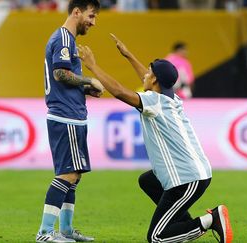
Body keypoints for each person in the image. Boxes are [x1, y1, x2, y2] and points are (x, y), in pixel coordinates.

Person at [78, 34, 233, 243]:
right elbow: (149, 78)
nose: (145, 75)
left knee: (157, 238)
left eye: (149, 73)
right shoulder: (170, 97)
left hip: (187, 179)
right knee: (148, 181)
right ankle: (181, 225)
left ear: (155, 80)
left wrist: (93, 66)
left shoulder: (154, 101)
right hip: (192, 172)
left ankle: (209, 220)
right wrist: (128, 55)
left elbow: (119, 92)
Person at [37, 0, 104, 242]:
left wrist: (85, 91)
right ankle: (45, 232)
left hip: (71, 113)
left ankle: (65, 230)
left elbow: (62, 79)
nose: (93, 22)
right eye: (91, 15)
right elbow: (60, 73)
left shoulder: (66, 40)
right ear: (77, 12)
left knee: (74, 174)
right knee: (67, 174)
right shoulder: (64, 38)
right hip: (66, 116)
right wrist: (88, 81)